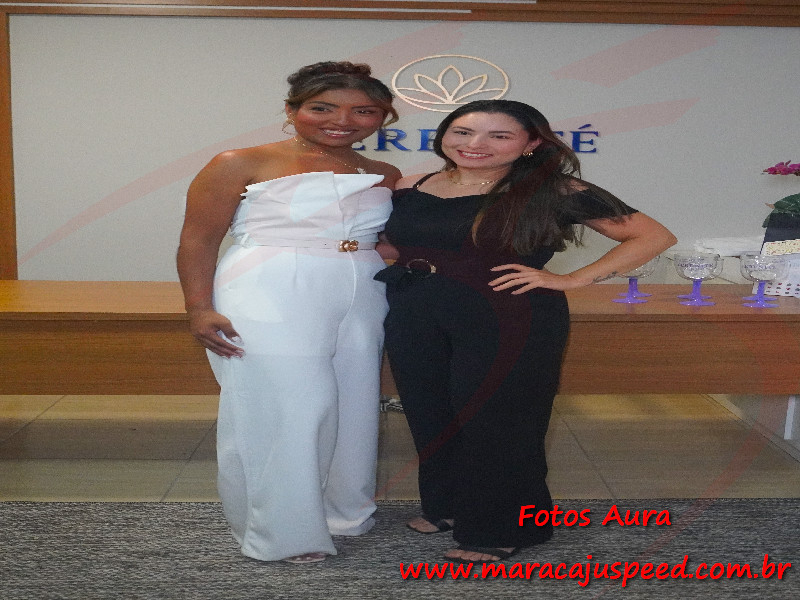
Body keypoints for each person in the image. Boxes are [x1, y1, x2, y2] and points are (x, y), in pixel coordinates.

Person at [375, 99, 676, 563]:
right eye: (462, 132)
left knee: (499, 421)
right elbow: (397, 246)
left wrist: (573, 279)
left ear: (531, 143)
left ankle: (500, 528)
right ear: (444, 135)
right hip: (415, 309)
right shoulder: (412, 184)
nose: (476, 144)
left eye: (499, 136)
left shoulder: (554, 189)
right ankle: (448, 507)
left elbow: (653, 235)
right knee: (430, 413)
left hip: (507, 314)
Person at [177, 61, 401, 564]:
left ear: (382, 118)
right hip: (268, 286)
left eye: (363, 111)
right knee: (290, 404)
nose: (342, 120)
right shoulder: (240, 161)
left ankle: (342, 513)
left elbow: (383, 242)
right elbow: (198, 239)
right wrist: (199, 307)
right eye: (323, 107)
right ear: (292, 110)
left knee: (354, 402)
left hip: (362, 288)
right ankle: (283, 531)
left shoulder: (383, 173)